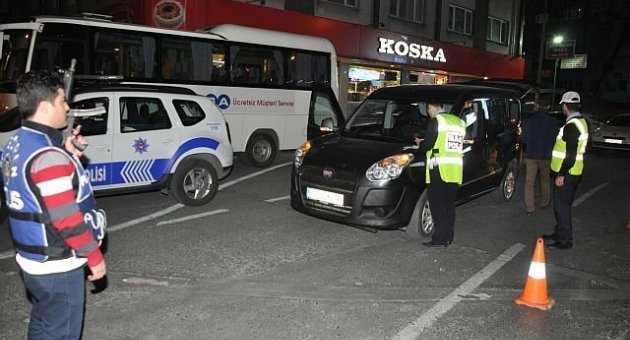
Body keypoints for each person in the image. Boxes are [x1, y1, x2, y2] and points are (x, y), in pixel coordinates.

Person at [2, 71, 107, 339]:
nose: (67, 107)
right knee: (62, 333)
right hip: (56, 265)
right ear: (46, 106)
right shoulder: (48, 157)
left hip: (31, 260)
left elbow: (34, 190)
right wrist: (94, 257)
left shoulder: (17, 142)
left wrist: (67, 152)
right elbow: (66, 218)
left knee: (42, 322)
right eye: (62, 100)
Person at [415, 100, 466, 247]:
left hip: (438, 169)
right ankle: (448, 237)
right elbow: (447, 143)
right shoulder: (458, 122)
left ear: (431, 107)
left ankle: (439, 238)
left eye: (428, 110)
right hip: (454, 169)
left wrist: (420, 143)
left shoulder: (437, 121)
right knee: (449, 205)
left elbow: (428, 145)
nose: (428, 113)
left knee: (437, 205)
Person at [542, 91, 589, 249]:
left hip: (568, 173)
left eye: (563, 105)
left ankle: (565, 240)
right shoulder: (581, 121)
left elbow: (570, 154)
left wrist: (561, 173)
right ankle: (559, 232)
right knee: (562, 205)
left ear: (565, 106)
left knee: (561, 207)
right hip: (573, 172)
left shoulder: (572, 126)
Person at [521, 97, 559, 215]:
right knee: (545, 180)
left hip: (531, 154)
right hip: (546, 155)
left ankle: (530, 207)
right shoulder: (553, 122)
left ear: (536, 106)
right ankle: (544, 202)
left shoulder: (528, 121)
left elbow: (524, 139)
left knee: (529, 182)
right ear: (548, 107)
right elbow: (555, 139)